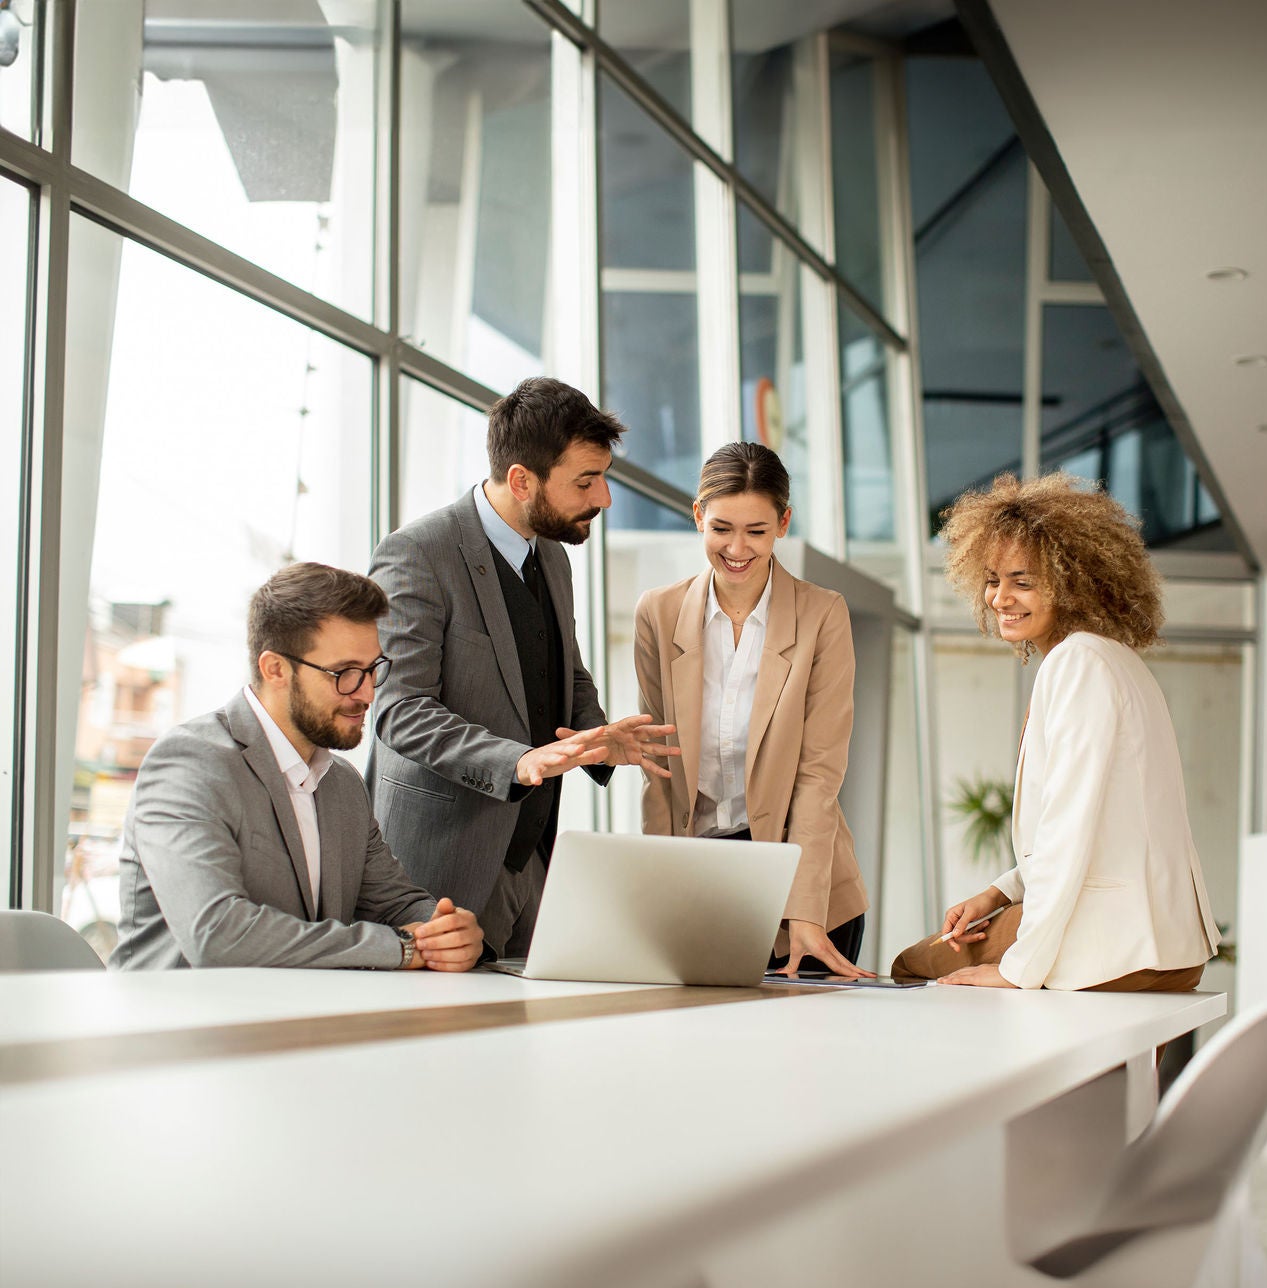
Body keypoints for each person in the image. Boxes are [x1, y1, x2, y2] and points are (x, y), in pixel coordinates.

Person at [368, 377, 679, 958]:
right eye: (586, 482)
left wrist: (599, 734)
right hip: (437, 867)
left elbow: (564, 667)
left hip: (531, 858)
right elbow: (399, 711)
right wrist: (519, 760)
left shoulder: (553, 556)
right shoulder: (417, 554)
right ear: (521, 480)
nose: (604, 498)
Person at [892, 473, 1221, 990]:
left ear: (1073, 581)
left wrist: (1017, 970)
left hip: (1112, 947)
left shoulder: (1077, 663)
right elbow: (1106, 824)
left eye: (1023, 581)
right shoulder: (1117, 661)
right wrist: (1001, 893)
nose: (1001, 598)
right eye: (993, 579)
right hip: (1168, 948)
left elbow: (1070, 827)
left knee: (914, 965)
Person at [112, 564, 486, 971]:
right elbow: (217, 934)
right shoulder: (188, 764)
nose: (365, 694)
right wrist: (402, 947)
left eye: (372, 670)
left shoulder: (341, 782)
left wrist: (447, 930)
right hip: (179, 1024)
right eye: (344, 673)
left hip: (300, 1020)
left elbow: (394, 901)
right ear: (275, 669)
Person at [632, 442, 871, 979]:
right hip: (701, 878)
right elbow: (658, 765)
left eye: (756, 532)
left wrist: (804, 910)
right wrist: (657, 893)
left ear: (783, 523)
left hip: (803, 886)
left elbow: (819, 775)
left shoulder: (822, 615)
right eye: (721, 528)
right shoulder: (658, 612)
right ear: (698, 516)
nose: (737, 548)